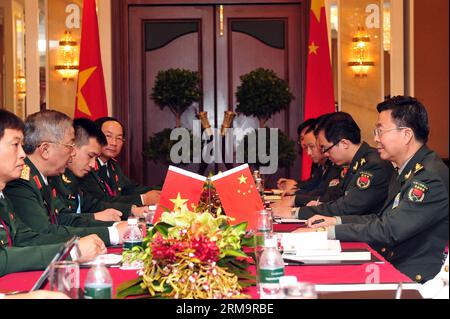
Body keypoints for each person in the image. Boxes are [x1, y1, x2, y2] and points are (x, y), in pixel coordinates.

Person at [302, 96, 449, 283]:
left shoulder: (428, 177)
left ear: (406, 135)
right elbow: (381, 218)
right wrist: (333, 222)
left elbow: (389, 230)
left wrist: (326, 232)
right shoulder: (407, 169)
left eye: (380, 131)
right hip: (393, 263)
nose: (376, 138)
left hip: (415, 279)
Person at [0, 109, 105, 277]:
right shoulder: (19, 184)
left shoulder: (3, 196)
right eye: (15, 145)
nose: (22, 153)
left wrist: (71, 248)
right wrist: (71, 252)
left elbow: (25, 238)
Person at [4, 110, 128, 247]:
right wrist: (112, 234)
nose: (73, 153)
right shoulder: (21, 182)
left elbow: (62, 218)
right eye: (70, 146)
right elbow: (42, 233)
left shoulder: (46, 177)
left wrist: (114, 229)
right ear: (45, 150)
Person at [272, 112, 395, 220]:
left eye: (325, 148)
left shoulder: (373, 165)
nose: (325, 153)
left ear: (344, 143)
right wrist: (317, 204)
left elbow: (346, 207)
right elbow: (334, 198)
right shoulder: (355, 162)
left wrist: (295, 212)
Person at [53, 118, 150, 221]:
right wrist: (112, 230)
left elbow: (92, 204)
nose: (92, 164)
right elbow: (62, 222)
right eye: (90, 156)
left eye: (119, 138)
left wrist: (132, 210)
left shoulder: (73, 175)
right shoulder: (55, 178)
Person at [79, 117, 160, 206]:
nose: (114, 143)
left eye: (119, 138)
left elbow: (129, 188)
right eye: (108, 136)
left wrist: (161, 189)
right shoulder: (85, 165)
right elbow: (102, 201)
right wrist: (142, 199)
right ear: (95, 136)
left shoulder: (112, 164)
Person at [277, 117, 324, 193]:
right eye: (301, 139)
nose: (303, 143)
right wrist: (295, 185)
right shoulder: (316, 160)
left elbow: (322, 192)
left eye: (311, 146)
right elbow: (312, 183)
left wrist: (295, 189)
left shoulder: (334, 164)